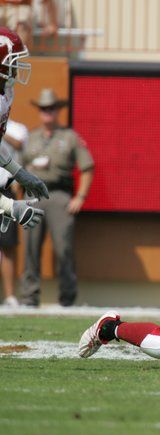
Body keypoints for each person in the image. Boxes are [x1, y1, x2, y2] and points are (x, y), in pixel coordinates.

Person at [20, 87, 93, 307]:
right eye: (44, 108)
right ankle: (29, 297)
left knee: (63, 247)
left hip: (59, 194)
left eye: (51, 108)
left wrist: (80, 196)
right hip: (32, 195)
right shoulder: (31, 138)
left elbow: (88, 167)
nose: (47, 112)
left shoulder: (69, 137)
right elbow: (19, 168)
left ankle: (67, 297)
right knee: (30, 248)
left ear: (57, 111)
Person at [0, 27, 49, 269]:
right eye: (13, 61)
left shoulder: (5, 93)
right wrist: (9, 206)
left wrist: (19, 173)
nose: (17, 68)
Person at [0, 118, 27, 306]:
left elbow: (19, 144)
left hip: (5, 190)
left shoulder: (17, 128)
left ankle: (10, 296)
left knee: (7, 245)